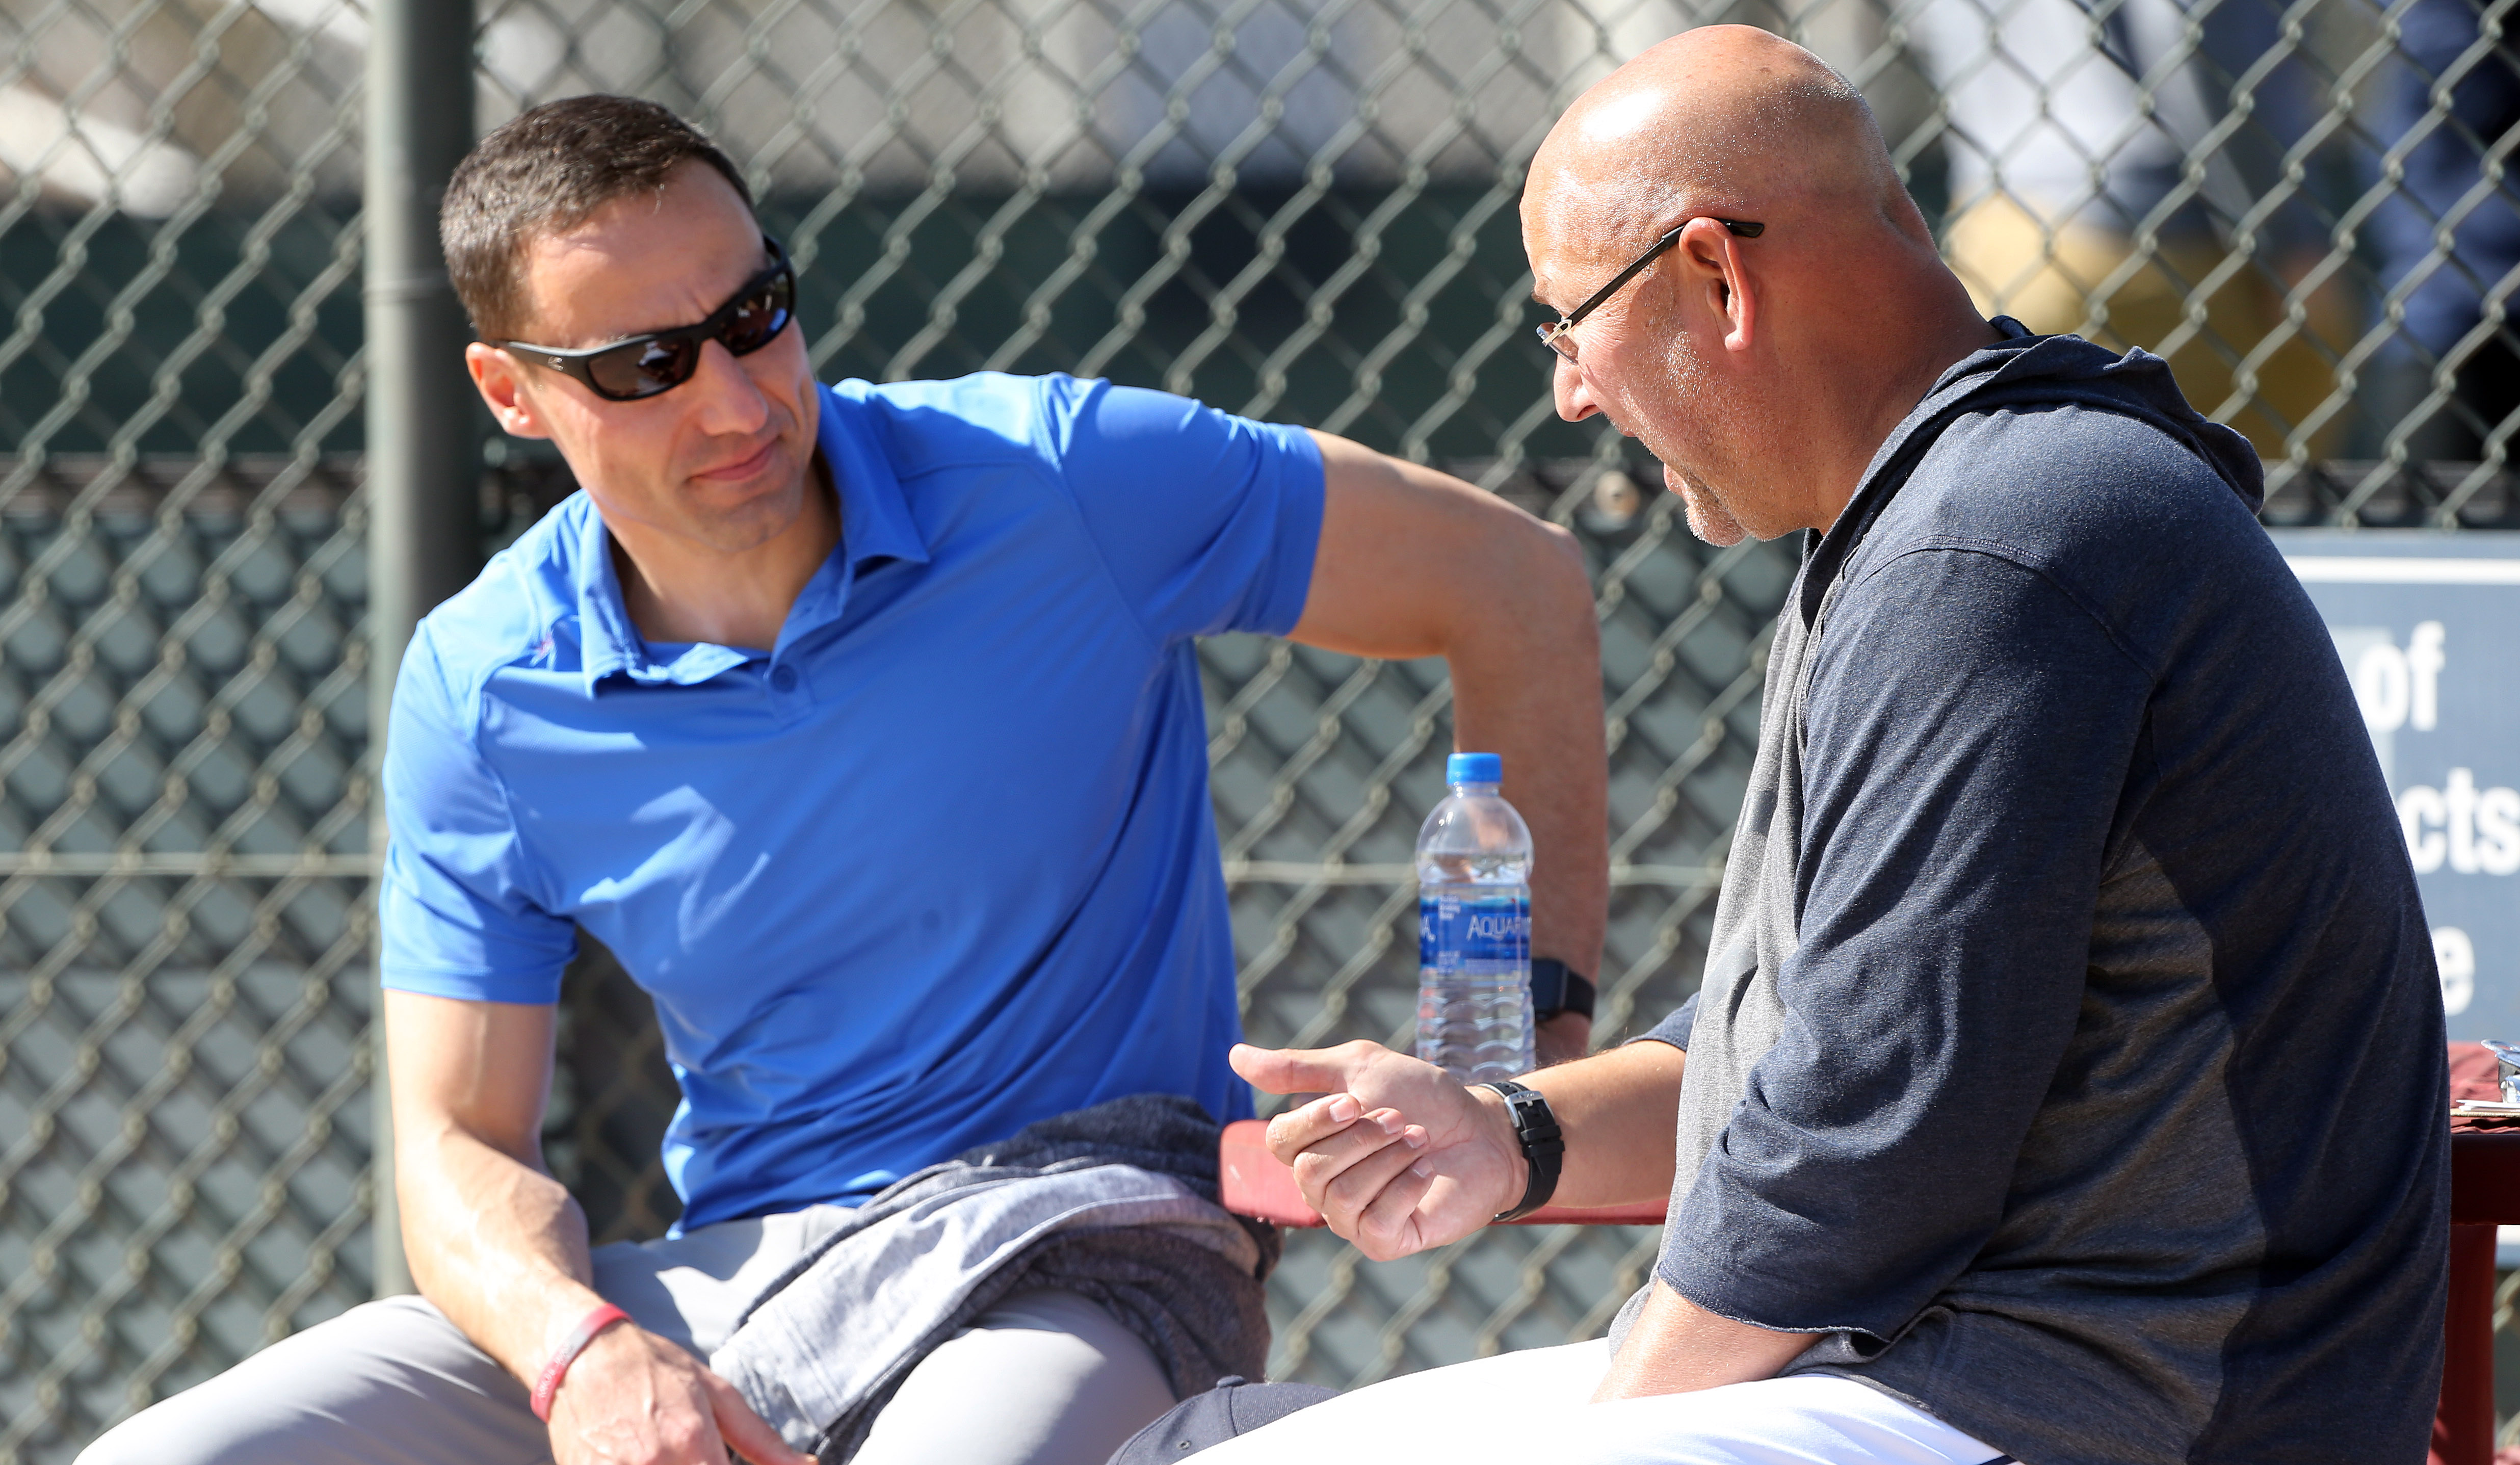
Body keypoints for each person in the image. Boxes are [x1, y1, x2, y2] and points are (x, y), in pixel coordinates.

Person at [77, 96, 1610, 1465]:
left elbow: (1516, 584)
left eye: (756, 314)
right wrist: (584, 1348)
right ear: (509, 391)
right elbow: (460, 1143)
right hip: (732, 1279)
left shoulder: (1062, 477)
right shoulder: (482, 683)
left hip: (1091, 1244)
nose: (736, 401)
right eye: (643, 366)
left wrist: (1527, 1046)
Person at [1221, 25, 2446, 1465]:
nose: (1567, 389)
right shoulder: (1941, 507)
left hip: (2115, 1408)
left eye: (1565, 322)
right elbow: (1807, 1047)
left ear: (1714, 276)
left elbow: (1860, 1150)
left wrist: (1604, 1428)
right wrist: (1509, 1128)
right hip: (1952, 1375)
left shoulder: (1999, 541)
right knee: (1208, 1446)